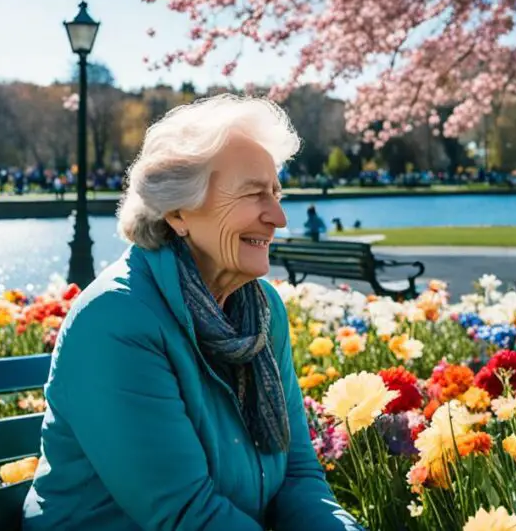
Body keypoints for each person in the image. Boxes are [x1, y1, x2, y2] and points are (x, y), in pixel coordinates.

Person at [23, 94, 362, 531]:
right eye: (254, 193)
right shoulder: (116, 319)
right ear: (179, 211)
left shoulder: (263, 312)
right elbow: (185, 513)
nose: (278, 217)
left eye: (276, 193)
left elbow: (297, 477)